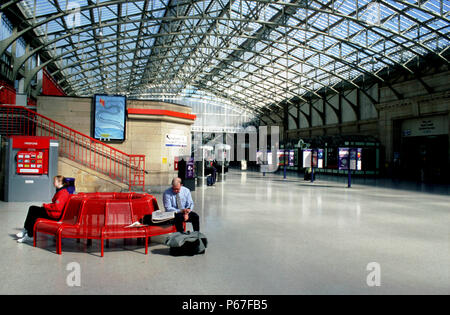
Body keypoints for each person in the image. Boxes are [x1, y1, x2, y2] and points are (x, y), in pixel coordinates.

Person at [16, 175, 70, 243]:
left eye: (54, 181)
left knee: (34, 213)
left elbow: (57, 207)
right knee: (32, 209)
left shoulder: (63, 193)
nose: (53, 182)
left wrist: (45, 206)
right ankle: (27, 230)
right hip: (53, 213)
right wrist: (46, 206)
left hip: (54, 216)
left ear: (59, 182)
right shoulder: (61, 191)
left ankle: (29, 235)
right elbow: (56, 204)